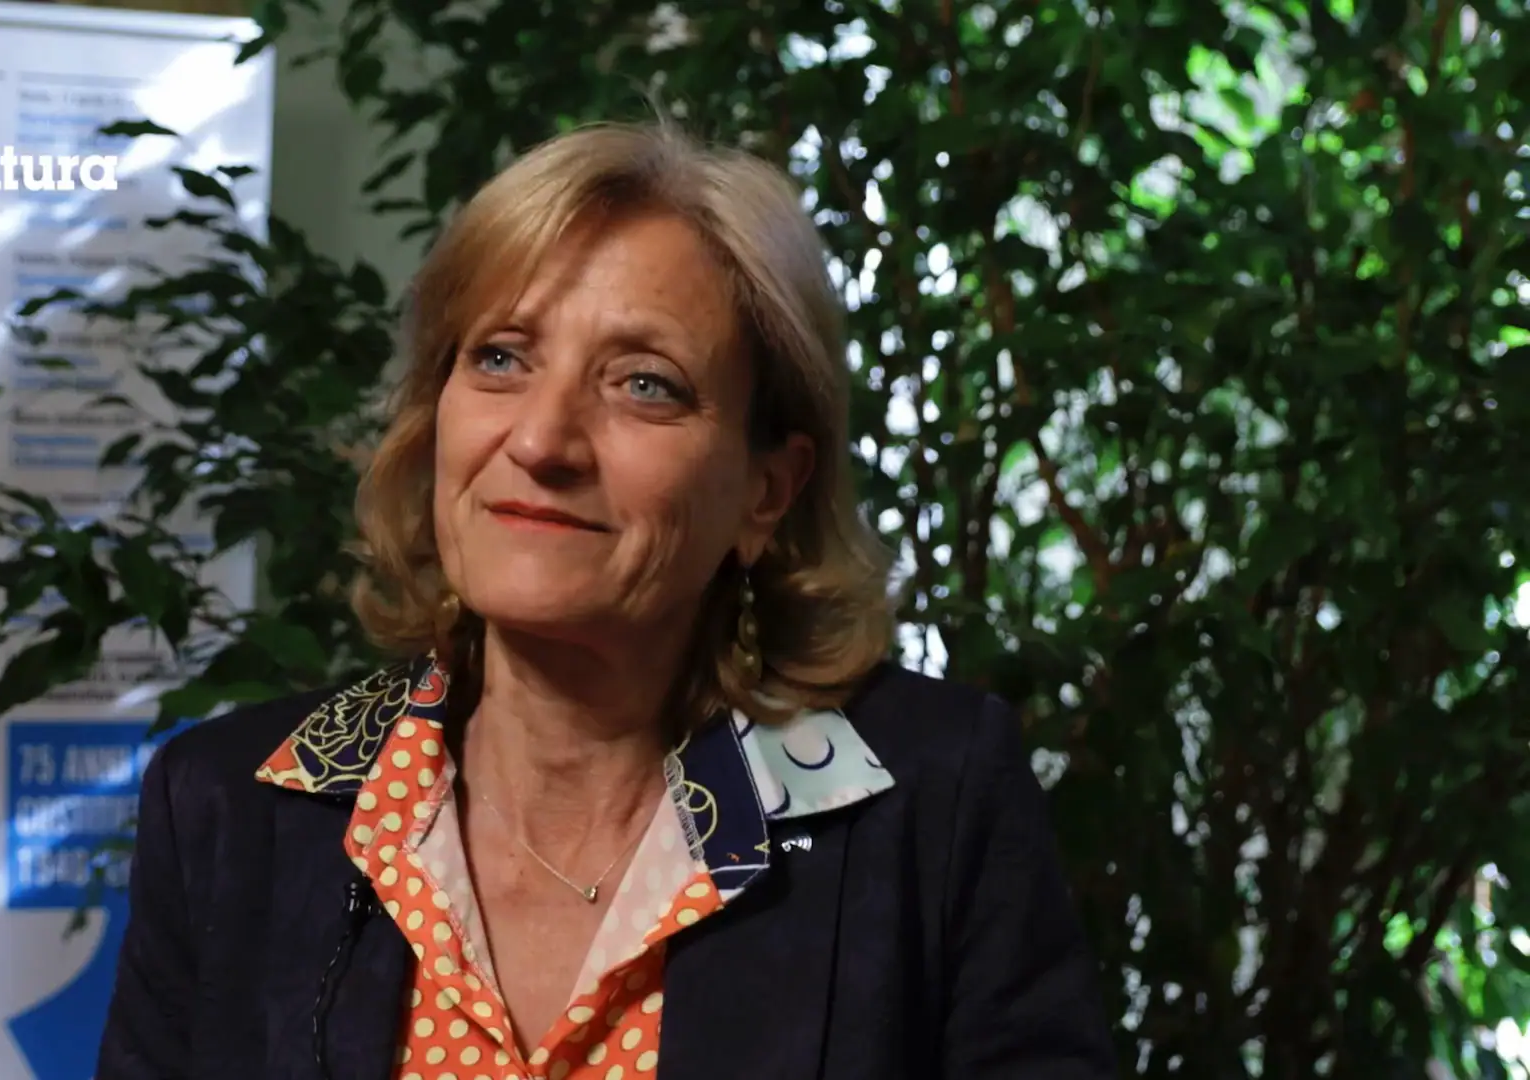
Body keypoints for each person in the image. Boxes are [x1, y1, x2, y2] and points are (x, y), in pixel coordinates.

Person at [95, 120, 1117, 1080]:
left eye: (644, 384)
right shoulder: (228, 810)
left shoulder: (934, 805)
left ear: (766, 490)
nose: (542, 442)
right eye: (501, 357)